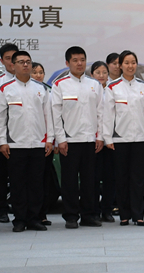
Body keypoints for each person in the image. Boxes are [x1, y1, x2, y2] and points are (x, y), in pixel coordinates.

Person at [51, 46, 104, 229]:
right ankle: (71, 216)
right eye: (75, 60)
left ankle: (89, 215)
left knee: (90, 180)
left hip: (91, 140)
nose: (79, 63)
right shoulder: (59, 85)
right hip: (69, 141)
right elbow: (56, 115)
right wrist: (61, 139)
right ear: (67, 63)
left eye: (82, 60)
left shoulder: (94, 85)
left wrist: (100, 137)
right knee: (69, 181)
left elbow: (101, 113)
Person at [0, 51, 53, 232]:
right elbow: (1, 118)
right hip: (15, 145)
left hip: (38, 143)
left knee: (36, 183)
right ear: (13, 65)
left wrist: (49, 139)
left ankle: (34, 218)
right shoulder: (6, 89)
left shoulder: (41, 88)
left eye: (28, 62)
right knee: (17, 184)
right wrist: (2, 141)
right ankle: (20, 219)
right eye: (21, 62)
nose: (25, 65)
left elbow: (48, 116)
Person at [103, 51, 144, 226]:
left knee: (138, 178)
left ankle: (138, 215)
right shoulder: (113, 87)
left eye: (133, 62)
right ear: (120, 65)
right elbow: (108, 114)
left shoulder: (143, 87)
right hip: (120, 139)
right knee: (122, 178)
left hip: (140, 138)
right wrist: (108, 137)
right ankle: (124, 214)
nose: (130, 66)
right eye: (126, 63)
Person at [33, 61, 59, 227]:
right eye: (35, 72)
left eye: (41, 72)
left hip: (47, 142)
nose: (38, 75)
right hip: (30, 142)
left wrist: (53, 140)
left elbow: (54, 117)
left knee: (44, 180)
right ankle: (29, 214)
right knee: (31, 181)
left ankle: (42, 214)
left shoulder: (49, 91)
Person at [90, 60, 116, 222]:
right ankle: (93, 209)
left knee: (109, 178)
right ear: (92, 74)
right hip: (94, 140)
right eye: (98, 72)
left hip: (111, 141)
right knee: (93, 177)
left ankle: (107, 209)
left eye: (104, 72)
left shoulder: (113, 89)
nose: (101, 75)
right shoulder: (90, 90)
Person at [0, 42, 18, 224]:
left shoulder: (31, 82)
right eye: (8, 59)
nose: (12, 62)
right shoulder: (0, 83)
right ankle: (2, 210)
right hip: (3, 138)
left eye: (15, 58)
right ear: (2, 61)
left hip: (22, 139)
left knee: (20, 177)